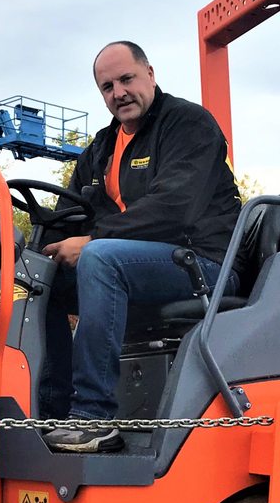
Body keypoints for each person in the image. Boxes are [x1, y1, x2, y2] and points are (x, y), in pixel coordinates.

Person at [40, 41, 242, 452]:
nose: (119, 93)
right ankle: (50, 412)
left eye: (126, 79)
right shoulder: (102, 148)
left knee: (99, 257)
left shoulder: (189, 125)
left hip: (202, 264)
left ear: (150, 74)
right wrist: (34, 251)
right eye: (107, 86)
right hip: (135, 268)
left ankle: (94, 417)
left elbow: (174, 209)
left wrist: (93, 240)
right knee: (36, 279)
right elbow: (69, 214)